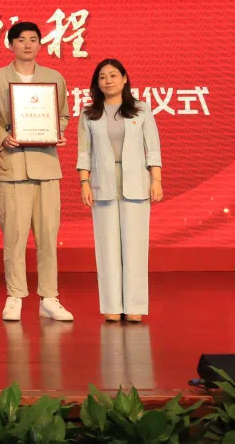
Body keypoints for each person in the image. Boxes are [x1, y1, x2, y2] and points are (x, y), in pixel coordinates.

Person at [0, 22, 73, 322]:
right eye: (21, 40)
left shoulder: (53, 78)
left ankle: (49, 297)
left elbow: (63, 115)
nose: (27, 45)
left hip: (46, 164)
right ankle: (15, 295)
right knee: (14, 236)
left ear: (40, 44)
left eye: (33, 39)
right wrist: (2, 137)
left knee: (48, 235)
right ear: (10, 45)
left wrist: (57, 131)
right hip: (12, 164)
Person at [77, 59, 162, 322]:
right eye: (102, 77)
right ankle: (111, 305)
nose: (108, 81)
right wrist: (84, 182)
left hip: (136, 181)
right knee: (107, 245)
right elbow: (84, 151)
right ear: (97, 83)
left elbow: (153, 147)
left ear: (125, 79)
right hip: (103, 182)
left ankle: (135, 306)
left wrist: (156, 180)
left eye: (113, 75)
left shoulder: (141, 109)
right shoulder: (89, 114)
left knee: (135, 245)